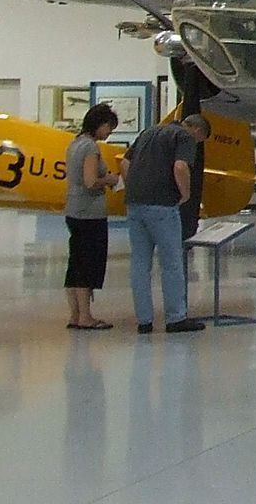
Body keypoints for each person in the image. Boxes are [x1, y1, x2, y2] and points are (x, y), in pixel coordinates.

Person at [121, 113, 211, 334]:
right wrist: (186, 194)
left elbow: (125, 162)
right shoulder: (184, 137)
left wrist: (133, 186)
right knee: (171, 262)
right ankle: (175, 318)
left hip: (135, 203)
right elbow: (180, 167)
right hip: (162, 206)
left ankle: (144, 320)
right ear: (198, 132)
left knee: (140, 264)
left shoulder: (148, 132)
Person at [63, 103, 121, 330]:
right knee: (87, 265)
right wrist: (111, 180)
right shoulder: (90, 148)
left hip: (74, 209)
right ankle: (86, 317)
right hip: (90, 213)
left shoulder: (74, 144)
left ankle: (75, 315)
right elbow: (90, 181)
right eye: (109, 127)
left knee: (75, 263)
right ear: (100, 124)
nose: (109, 133)